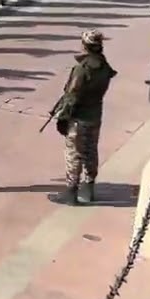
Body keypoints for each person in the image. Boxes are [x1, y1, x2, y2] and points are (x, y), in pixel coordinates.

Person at [52, 29, 117, 205]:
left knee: (74, 154)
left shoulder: (82, 69)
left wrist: (63, 117)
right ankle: (88, 188)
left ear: (85, 45)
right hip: (95, 115)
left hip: (78, 118)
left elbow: (72, 95)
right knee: (90, 151)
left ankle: (71, 192)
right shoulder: (104, 66)